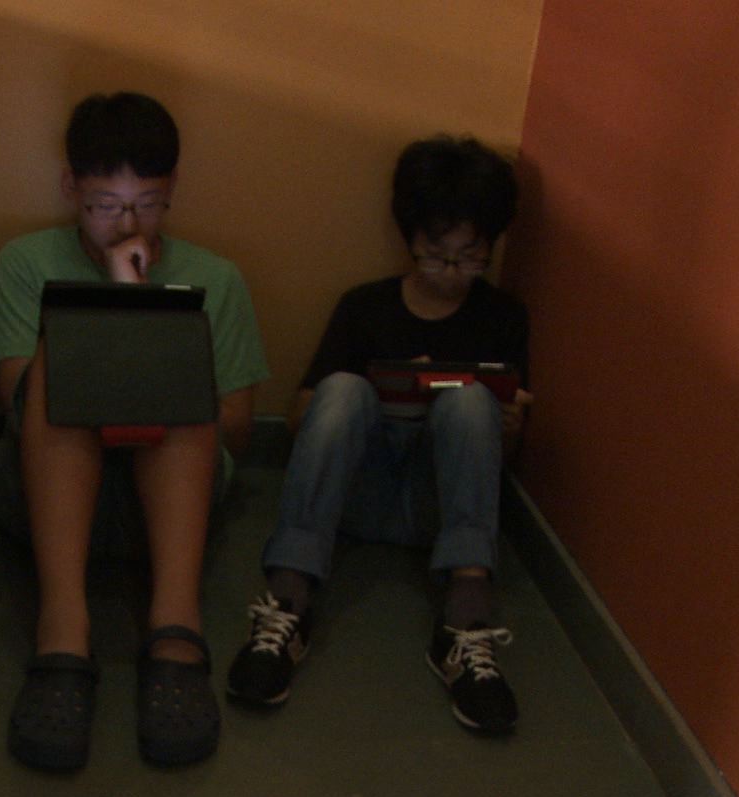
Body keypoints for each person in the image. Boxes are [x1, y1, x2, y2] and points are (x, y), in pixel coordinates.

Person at [0, 91, 269, 771]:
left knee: (176, 359)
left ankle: (175, 629)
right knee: (61, 355)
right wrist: (111, 315)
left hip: (172, 503)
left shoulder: (216, 278)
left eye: (149, 204)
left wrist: (148, 332)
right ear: (70, 188)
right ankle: (62, 630)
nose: (128, 224)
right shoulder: (25, 261)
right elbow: (15, 400)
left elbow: (237, 430)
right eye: (106, 205)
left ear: (173, 192)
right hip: (44, 492)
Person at [224, 135, 531, 735]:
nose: (451, 273)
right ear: (409, 241)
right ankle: (286, 604)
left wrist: (505, 425)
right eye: (435, 256)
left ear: (490, 248)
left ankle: (465, 622)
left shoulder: (502, 316)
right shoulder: (365, 307)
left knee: (470, 400)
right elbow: (301, 420)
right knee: (341, 389)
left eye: (470, 258)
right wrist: (391, 389)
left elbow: (502, 461)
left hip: (438, 511)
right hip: (354, 500)